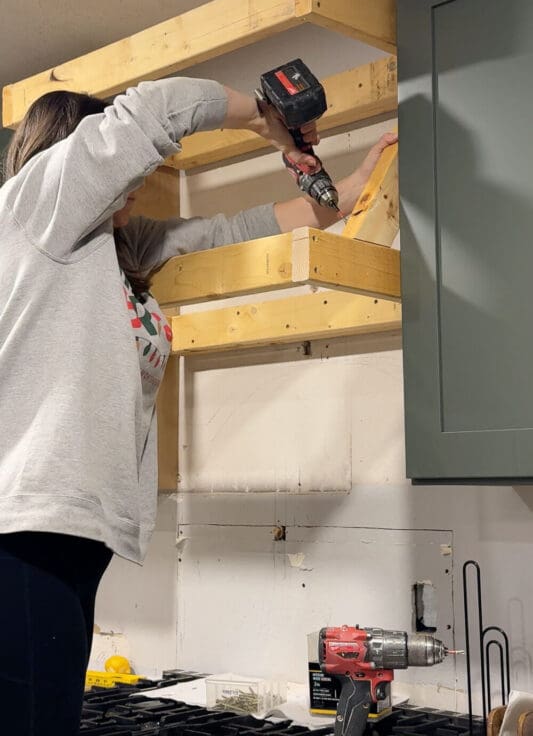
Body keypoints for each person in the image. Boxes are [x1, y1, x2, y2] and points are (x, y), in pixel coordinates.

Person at [0, 75, 397, 734]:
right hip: (23, 535)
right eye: (115, 157)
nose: (138, 174)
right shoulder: (34, 208)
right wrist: (266, 121)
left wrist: (341, 197)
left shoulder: (110, 249)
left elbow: (228, 230)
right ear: (74, 156)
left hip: (74, 539)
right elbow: (158, 108)